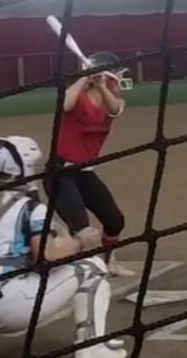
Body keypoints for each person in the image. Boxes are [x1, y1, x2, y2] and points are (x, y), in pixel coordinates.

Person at [0, 136, 128, 358]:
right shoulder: (30, 208)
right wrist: (80, 242)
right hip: (7, 309)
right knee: (92, 266)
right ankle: (91, 347)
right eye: (34, 165)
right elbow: (46, 257)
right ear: (24, 167)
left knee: (2, 270)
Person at [48, 53, 134, 278]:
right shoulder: (78, 97)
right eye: (115, 75)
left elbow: (115, 110)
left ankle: (108, 262)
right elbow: (64, 103)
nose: (119, 80)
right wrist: (85, 76)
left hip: (85, 174)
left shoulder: (113, 101)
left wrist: (101, 85)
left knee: (115, 220)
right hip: (60, 173)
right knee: (82, 228)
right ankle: (74, 271)